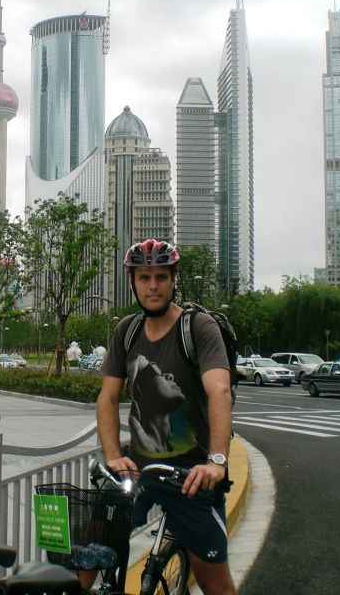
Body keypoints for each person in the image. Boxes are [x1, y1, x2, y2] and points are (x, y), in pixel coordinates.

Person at [96, 239, 236, 595]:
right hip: (139, 471)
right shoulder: (126, 332)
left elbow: (219, 390)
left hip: (191, 476)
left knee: (214, 582)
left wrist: (216, 461)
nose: (153, 286)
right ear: (133, 282)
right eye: (144, 278)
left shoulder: (198, 328)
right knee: (90, 553)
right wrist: (113, 456)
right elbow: (108, 397)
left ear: (174, 279)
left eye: (161, 276)